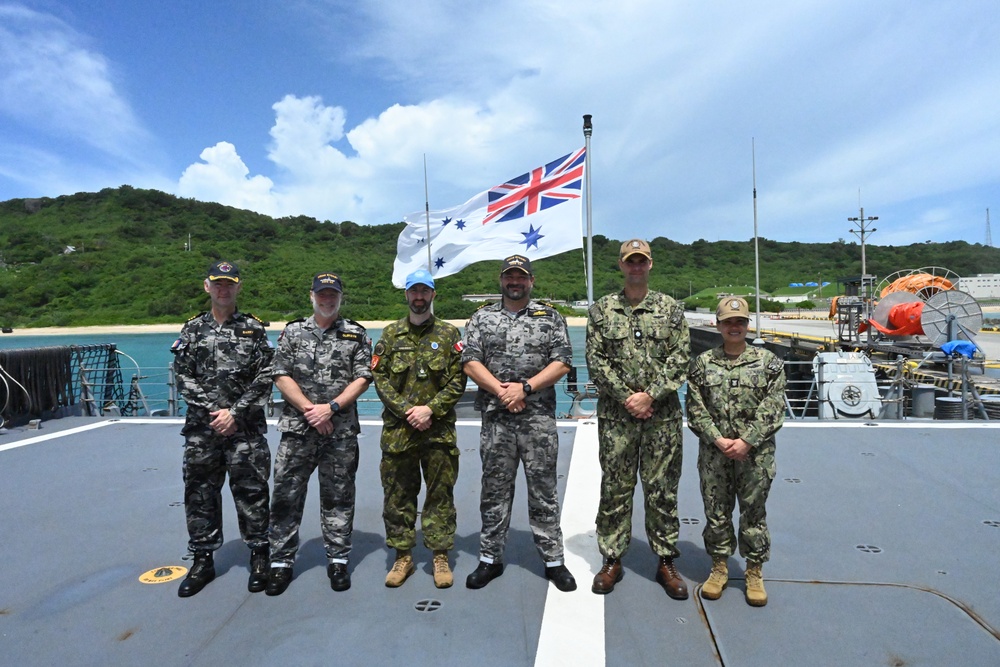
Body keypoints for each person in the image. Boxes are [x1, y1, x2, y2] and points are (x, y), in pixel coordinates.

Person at [461, 254, 577, 592]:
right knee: (494, 490)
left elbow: (563, 361)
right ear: (501, 280)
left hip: (537, 419)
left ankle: (553, 560)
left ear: (531, 281)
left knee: (544, 490)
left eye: (521, 277)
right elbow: (470, 361)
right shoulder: (482, 318)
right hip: (497, 419)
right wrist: (502, 391)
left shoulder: (550, 317)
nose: (515, 282)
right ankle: (489, 558)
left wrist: (525, 388)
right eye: (510, 276)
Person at [585, 239, 690, 599]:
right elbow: (596, 361)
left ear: (650, 265)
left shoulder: (670, 309)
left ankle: (665, 560)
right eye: (630, 261)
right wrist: (628, 399)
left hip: (661, 417)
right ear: (621, 265)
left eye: (641, 261)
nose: (635, 267)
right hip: (617, 418)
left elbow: (681, 358)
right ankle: (612, 558)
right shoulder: (601, 310)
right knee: (615, 488)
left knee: (662, 490)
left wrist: (651, 395)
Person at [265, 272, 373, 596]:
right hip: (298, 432)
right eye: (322, 294)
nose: (328, 299)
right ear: (311, 296)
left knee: (338, 498)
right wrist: (312, 410)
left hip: (339, 434)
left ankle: (338, 559)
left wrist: (332, 408)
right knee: (286, 497)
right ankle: (281, 562)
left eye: (333, 295)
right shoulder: (293, 332)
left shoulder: (356, 334)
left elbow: (364, 377)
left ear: (341, 297)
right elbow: (280, 374)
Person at [171, 260, 275, 598]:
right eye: (218, 283)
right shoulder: (192, 330)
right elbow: (182, 375)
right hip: (203, 430)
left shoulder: (253, 329)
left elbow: (265, 377)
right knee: (200, 493)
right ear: (207, 286)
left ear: (238, 287)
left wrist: (235, 412)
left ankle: (260, 555)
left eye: (229, 284)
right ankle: (203, 559)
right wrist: (214, 411)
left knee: (252, 492)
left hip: (244, 431)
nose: (223, 289)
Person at [686, 297, 785, 607]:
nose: (734, 327)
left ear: (747, 325)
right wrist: (717, 439)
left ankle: (754, 571)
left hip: (755, 455)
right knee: (716, 513)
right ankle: (719, 567)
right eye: (728, 321)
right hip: (714, 454)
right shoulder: (702, 363)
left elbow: (774, 406)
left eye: (740, 321)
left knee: (754, 513)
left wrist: (747, 441)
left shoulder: (769, 362)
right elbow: (695, 407)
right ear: (718, 325)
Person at [372, 269, 466, 589]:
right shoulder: (389, 335)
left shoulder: (450, 334)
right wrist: (406, 410)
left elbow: (458, 379)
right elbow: (379, 379)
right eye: (414, 291)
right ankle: (403, 557)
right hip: (400, 432)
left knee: (440, 494)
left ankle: (440, 556)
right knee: (398, 496)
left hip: (437, 430)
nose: (419, 297)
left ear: (433, 295)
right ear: (406, 295)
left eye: (425, 291)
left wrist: (431, 409)